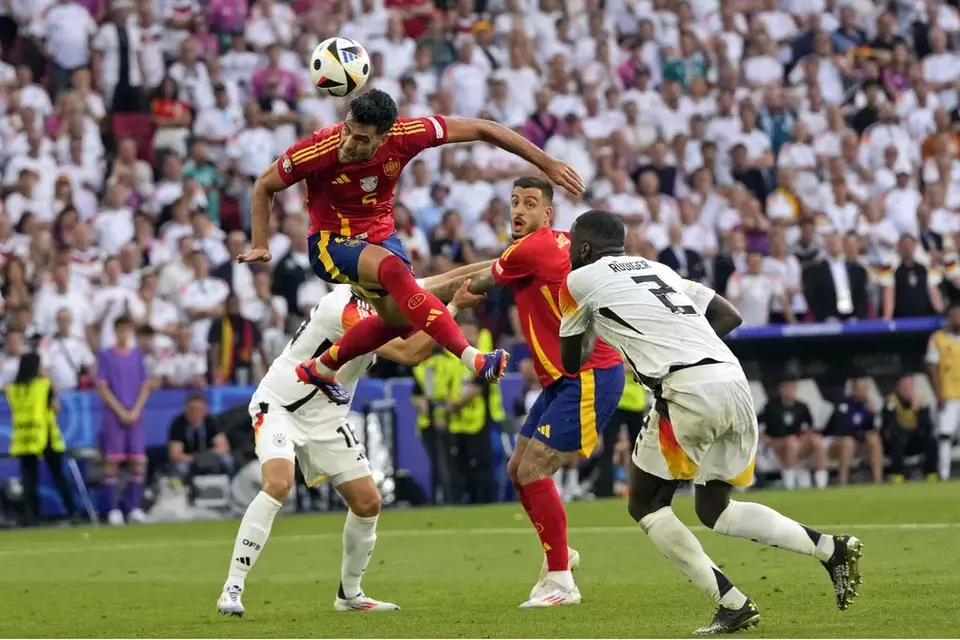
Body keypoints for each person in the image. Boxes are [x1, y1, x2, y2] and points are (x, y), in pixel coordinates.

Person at [557, 210, 862, 634]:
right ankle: (830, 548)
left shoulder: (577, 280)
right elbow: (729, 315)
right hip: (733, 380)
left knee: (645, 503)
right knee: (715, 509)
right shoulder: (658, 268)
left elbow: (570, 360)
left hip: (686, 388)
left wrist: (604, 330)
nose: (570, 251)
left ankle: (732, 603)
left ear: (585, 248)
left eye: (572, 244)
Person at [236, 89, 584, 405]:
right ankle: (472, 358)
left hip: (381, 236)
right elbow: (265, 183)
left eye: (361, 139)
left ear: (384, 136)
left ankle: (322, 368)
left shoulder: (407, 135)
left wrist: (547, 164)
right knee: (392, 270)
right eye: (348, 130)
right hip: (330, 242)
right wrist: (260, 243)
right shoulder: (318, 148)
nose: (348, 143)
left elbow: (484, 128)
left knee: (401, 324)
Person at [217, 261, 495, 617]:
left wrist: (504, 263)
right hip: (282, 406)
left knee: (368, 503)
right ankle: (233, 586)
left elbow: (447, 279)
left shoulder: (380, 291)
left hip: (327, 417)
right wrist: (453, 308)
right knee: (278, 484)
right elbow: (411, 353)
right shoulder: (344, 308)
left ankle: (349, 595)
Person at [480, 177, 625, 608]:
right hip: (563, 377)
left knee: (533, 470)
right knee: (518, 468)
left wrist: (416, 294)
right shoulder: (556, 243)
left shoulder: (534, 248)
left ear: (549, 214)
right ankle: (560, 556)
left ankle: (561, 581)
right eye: (513, 203)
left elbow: (474, 284)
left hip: (587, 374)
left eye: (529, 203)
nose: (518, 211)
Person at [5, 352, 78, 525]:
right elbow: (56, 407)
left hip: (24, 437)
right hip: (45, 435)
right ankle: (72, 510)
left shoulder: (13, 389)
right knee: (58, 475)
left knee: (29, 479)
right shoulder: (43, 385)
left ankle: (31, 516)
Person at [97, 315, 153, 526]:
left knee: (137, 461)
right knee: (112, 461)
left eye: (127, 329)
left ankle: (135, 508)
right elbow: (102, 387)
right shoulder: (106, 356)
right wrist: (120, 411)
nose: (124, 333)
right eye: (120, 329)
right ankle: (113, 510)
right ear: (115, 331)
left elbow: (145, 385)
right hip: (115, 414)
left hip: (135, 414)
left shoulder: (138, 355)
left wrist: (136, 409)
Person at [757, 378, 828, 490]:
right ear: (781, 389)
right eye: (787, 388)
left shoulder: (801, 407)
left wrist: (805, 438)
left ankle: (821, 484)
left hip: (798, 445)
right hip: (777, 446)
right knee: (790, 442)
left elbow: (810, 428)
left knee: (816, 441)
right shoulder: (770, 406)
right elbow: (754, 425)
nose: (790, 391)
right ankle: (789, 485)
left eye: (792, 388)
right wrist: (766, 439)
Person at [925, 302, 960, 481]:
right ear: (948, 318)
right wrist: (938, 392)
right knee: (945, 436)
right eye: (955, 315)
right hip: (949, 395)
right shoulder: (938, 338)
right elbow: (931, 366)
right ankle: (944, 474)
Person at [881, 375, 938, 483]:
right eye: (905, 388)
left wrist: (918, 411)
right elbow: (889, 425)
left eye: (910, 388)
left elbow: (927, 426)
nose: (908, 391)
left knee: (932, 441)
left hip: (915, 439)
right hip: (895, 441)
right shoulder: (891, 402)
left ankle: (931, 473)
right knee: (900, 438)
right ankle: (897, 474)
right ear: (898, 388)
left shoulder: (920, 401)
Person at [168, 394, 235, 479]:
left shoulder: (211, 422)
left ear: (205, 411)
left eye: (199, 410)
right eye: (192, 410)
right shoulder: (178, 424)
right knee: (180, 468)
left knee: (227, 460)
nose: (195, 414)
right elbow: (175, 454)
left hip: (209, 457)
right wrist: (194, 459)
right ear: (186, 410)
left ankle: (230, 486)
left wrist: (205, 456)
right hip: (189, 459)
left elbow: (224, 447)